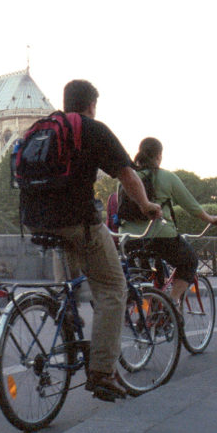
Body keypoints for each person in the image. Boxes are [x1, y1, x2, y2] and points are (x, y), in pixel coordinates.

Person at [21, 80, 162, 402]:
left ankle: (68, 329)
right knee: (113, 289)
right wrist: (146, 206)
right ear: (91, 104)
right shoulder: (91, 128)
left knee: (69, 289)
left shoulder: (42, 129)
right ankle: (100, 371)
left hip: (37, 221)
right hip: (77, 220)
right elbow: (127, 174)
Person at [120, 138, 217, 306]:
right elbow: (192, 207)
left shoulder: (127, 178)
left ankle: (146, 315)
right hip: (161, 237)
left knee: (144, 277)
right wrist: (212, 219)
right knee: (189, 261)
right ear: (159, 156)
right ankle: (172, 300)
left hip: (131, 239)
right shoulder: (167, 177)